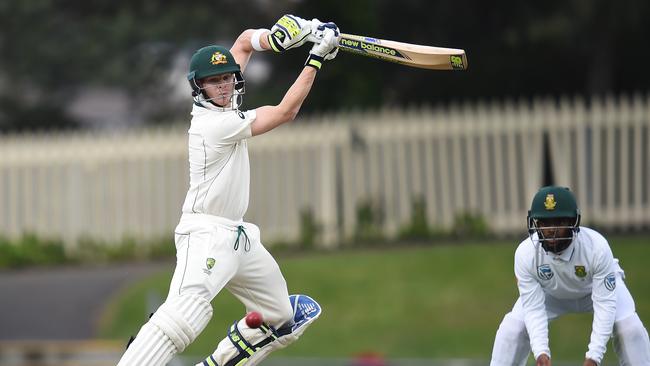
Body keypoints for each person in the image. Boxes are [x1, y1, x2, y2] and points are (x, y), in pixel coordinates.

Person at [117, 14, 340, 366]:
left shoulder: (227, 105)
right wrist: (315, 58)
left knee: (282, 317)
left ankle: (220, 361)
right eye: (213, 81)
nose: (223, 86)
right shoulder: (213, 125)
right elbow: (286, 112)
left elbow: (243, 42)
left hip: (239, 237)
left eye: (227, 78)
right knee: (184, 316)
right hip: (205, 233)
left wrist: (279, 38)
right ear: (198, 88)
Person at [490, 186, 650, 366]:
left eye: (559, 222)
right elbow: (533, 308)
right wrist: (541, 352)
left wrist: (594, 357)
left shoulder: (596, 247)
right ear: (535, 223)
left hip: (594, 290)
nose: (551, 230)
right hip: (551, 293)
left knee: (630, 329)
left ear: (573, 222)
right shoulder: (525, 254)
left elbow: (605, 304)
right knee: (512, 329)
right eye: (544, 222)